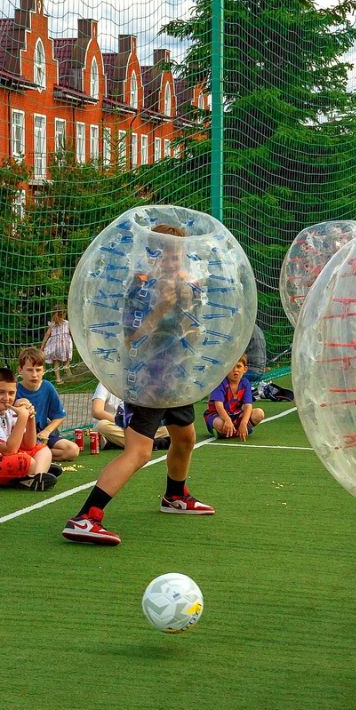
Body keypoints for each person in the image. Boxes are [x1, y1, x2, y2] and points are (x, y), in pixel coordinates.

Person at [62, 224, 214, 546]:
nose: (173, 261)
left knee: (185, 437)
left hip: (175, 378)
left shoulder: (187, 288)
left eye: (178, 255)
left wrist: (188, 307)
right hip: (146, 379)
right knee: (140, 452)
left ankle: (175, 496)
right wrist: (159, 309)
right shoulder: (140, 288)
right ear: (153, 256)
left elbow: (193, 335)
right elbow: (132, 339)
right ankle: (86, 517)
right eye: (167, 255)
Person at [16, 347, 80, 462]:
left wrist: (47, 431)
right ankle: (37, 457)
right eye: (29, 370)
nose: (34, 375)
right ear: (20, 370)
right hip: (21, 438)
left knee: (72, 450)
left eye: (38, 370)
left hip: (42, 435)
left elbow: (59, 416)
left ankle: (39, 457)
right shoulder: (14, 389)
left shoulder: (47, 387)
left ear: (43, 370)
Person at [91, 381, 170, 450]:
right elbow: (97, 411)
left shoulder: (137, 384)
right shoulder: (105, 384)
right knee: (102, 426)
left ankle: (112, 443)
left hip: (134, 427)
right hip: (114, 425)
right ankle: (156, 443)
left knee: (167, 427)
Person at [205, 356, 265, 439]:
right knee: (219, 423)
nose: (235, 370)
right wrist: (227, 420)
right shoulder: (220, 383)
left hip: (236, 415)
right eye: (231, 367)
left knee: (259, 413)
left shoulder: (245, 383)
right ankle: (229, 431)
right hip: (219, 415)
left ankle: (232, 431)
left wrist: (244, 423)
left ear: (245, 369)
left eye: (239, 366)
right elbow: (218, 405)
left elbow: (248, 405)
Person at [40, 308, 73, 383]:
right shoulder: (67, 323)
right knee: (66, 358)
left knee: (56, 362)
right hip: (65, 344)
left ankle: (58, 379)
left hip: (55, 345)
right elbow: (71, 332)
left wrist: (42, 345)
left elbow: (47, 334)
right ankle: (67, 369)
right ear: (64, 314)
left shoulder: (52, 324)